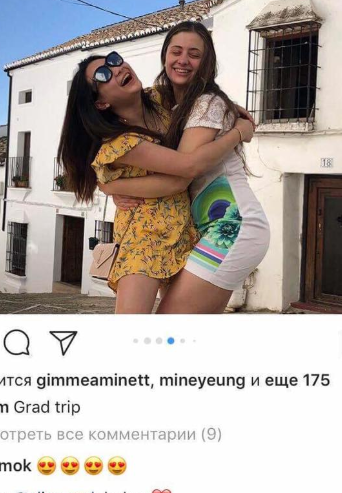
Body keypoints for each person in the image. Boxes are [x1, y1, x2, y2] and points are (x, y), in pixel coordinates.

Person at [57, 52, 253, 313]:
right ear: (101, 103)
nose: (116, 69)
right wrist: (238, 133)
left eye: (114, 60)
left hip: (183, 231)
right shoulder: (121, 143)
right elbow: (183, 175)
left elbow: (199, 97)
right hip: (144, 238)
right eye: (103, 75)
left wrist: (228, 107)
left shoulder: (159, 98)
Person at [101, 22, 270, 313]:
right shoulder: (168, 105)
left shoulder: (206, 103)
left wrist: (111, 185)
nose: (183, 60)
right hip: (207, 229)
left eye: (194, 54)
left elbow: (183, 172)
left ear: (206, 63)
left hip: (232, 225)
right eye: (176, 51)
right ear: (165, 55)